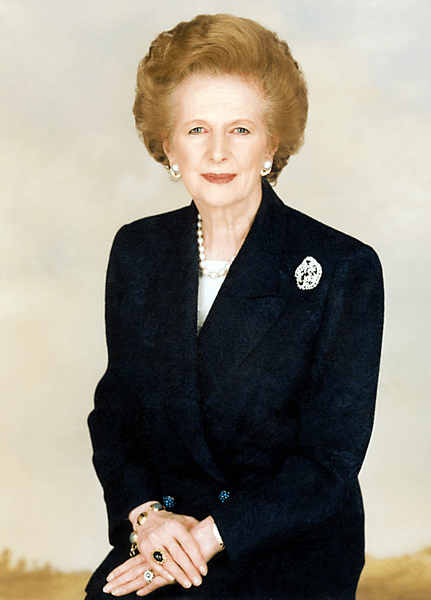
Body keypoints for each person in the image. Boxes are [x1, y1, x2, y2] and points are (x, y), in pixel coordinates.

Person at [85, 13, 384, 600]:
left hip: (284, 544)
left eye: (240, 130)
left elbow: (327, 463)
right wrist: (149, 521)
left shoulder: (343, 268)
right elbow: (117, 415)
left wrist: (203, 542)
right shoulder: (138, 251)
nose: (217, 151)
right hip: (167, 533)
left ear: (273, 142)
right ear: (168, 144)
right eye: (197, 129)